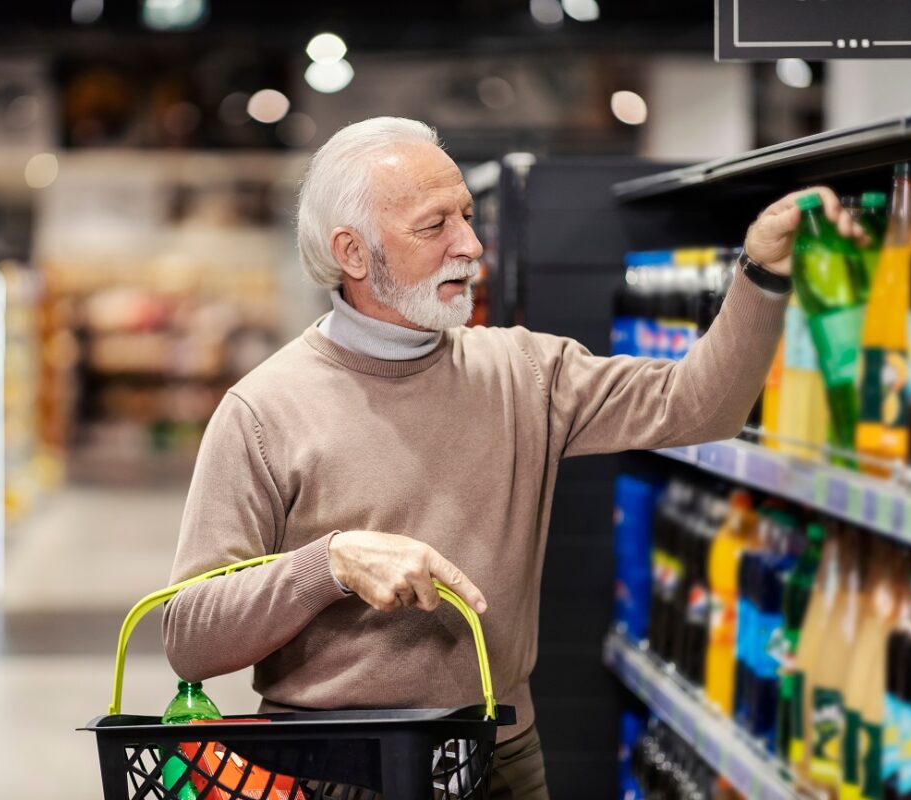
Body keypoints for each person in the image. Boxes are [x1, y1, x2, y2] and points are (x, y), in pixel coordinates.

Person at [162, 116, 862, 798]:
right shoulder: (264, 411)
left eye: (466, 217)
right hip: (335, 773)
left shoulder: (525, 371)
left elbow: (700, 406)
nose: (470, 245)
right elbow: (191, 637)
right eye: (435, 226)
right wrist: (332, 563)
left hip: (502, 762)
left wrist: (762, 273)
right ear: (352, 253)